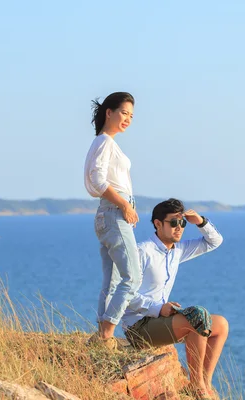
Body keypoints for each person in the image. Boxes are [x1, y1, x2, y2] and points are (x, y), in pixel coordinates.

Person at [122, 198, 228, 400]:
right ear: (157, 224)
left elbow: (215, 241)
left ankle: (204, 383)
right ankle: (197, 388)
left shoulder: (177, 250)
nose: (179, 228)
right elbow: (125, 294)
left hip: (159, 321)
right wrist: (157, 308)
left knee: (221, 325)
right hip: (138, 327)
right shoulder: (142, 252)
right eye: (173, 223)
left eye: (182, 223)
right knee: (198, 317)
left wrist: (200, 222)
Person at [84, 92, 140, 350]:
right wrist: (124, 205)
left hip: (109, 214)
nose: (128, 119)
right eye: (124, 112)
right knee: (133, 277)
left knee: (114, 279)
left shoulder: (105, 142)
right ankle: (106, 333)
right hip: (113, 213)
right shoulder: (105, 142)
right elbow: (97, 181)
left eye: (131, 115)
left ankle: (101, 335)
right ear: (109, 112)